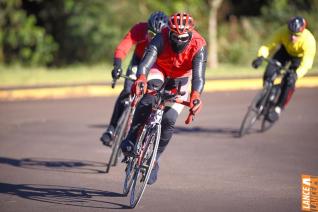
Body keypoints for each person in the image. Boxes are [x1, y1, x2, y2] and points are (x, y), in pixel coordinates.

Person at [120, 12, 207, 185]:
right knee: (149, 96)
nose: (179, 40)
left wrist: (196, 95)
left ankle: (154, 161)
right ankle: (131, 137)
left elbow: (199, 77)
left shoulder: (199, 44)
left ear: (190, 33)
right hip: (159, 70)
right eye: (175, 36)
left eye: (184, 37)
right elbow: (145, 62)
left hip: (181, 79)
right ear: (169, 32)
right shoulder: (161, 36)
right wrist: (142, 79)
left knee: (169, 119)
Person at [100, 11, 169, 147]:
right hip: (138, 62)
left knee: (150, 98)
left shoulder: (168, 37)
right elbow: (123, 46)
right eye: (150, 35)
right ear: (146, 30)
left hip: (155, 66)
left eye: (157, 36)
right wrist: (117, 65)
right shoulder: (139, 29)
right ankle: (111, 129)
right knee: (127, 91)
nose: (153, 39)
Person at [252, 16, 316, 122]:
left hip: (298, 59)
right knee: (269, 71)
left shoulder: (309, 41)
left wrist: (296, 74)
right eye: (290, 33)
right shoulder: (283, 31)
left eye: (296, 35)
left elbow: (307, 63)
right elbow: (268, 45)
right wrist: (260, 56)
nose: (292, 37)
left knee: (289, 82)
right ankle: (266, 95)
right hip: (285, 52)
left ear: (302, 32)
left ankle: (278, 108)